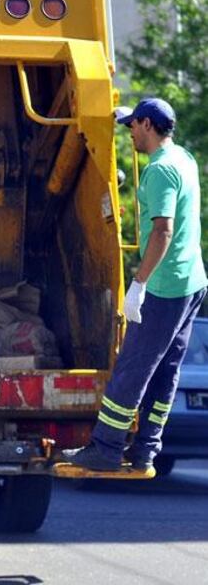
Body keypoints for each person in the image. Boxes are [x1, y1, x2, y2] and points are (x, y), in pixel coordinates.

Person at [61, 98, 207, 471]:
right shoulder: (185, 159)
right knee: (166, 368)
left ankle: (106, 448)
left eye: (132, 125)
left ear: (146, 124)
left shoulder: (159, 171)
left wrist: (139, 284)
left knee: (133, 366)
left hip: (165, 285)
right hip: (192, 281)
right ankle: (145, 449)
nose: (130, 132)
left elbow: (163, 230)